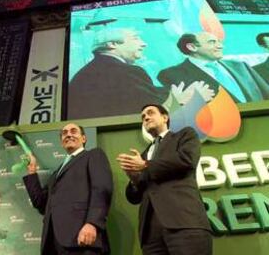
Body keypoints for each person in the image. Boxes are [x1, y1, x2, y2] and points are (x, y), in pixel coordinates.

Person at [117, 104, 212, 255]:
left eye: (150, 113)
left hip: (184, 223)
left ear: (165, 117)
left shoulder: (184, 135)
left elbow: (187, 160)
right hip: (151, 234)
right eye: (143, 117)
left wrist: (146, 165)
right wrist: (134, 179)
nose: (146, 118)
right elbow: (134, 198)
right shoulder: (143, 154)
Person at [23, 123, 113, 254]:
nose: (68, 134)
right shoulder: (56, 173)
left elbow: (102, 189)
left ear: (83, 138)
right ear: (61, 142)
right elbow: (41, 203)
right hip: (53, 243)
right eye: (64, 133)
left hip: (82, 240)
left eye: (73, 131)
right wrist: (32, 172)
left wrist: (93, 223)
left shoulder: (93, 155)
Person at [68, 28, 169, 119]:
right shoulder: (127, 72)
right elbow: (154, 112)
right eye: (135, 38)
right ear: (112, 44)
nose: (144, 44)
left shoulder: (82, 75)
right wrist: (177, 99)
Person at [158, 31, 269, 103]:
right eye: (212, 42)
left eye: (219, 42)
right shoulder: (171, 75)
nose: (220, 46)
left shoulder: (240, 66)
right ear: (192, 47)